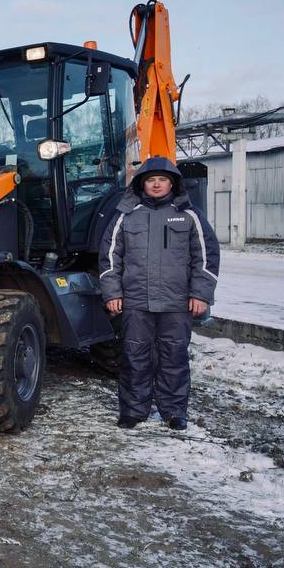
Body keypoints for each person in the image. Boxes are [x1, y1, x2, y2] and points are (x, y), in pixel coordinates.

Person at [98, 156, 219, 431]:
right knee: (134, 357)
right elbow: (109, 257)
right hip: (136, 302)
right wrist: (112, 293)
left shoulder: (190, 215)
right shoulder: (126, 214)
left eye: (162, 180)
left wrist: (200, 295)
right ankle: (132, 410)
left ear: (172, 183)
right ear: (142, 184)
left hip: (176, 303)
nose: (156, 185)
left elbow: (207, 258)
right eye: (150, 180)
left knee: (174, 357)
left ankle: (174, 411)